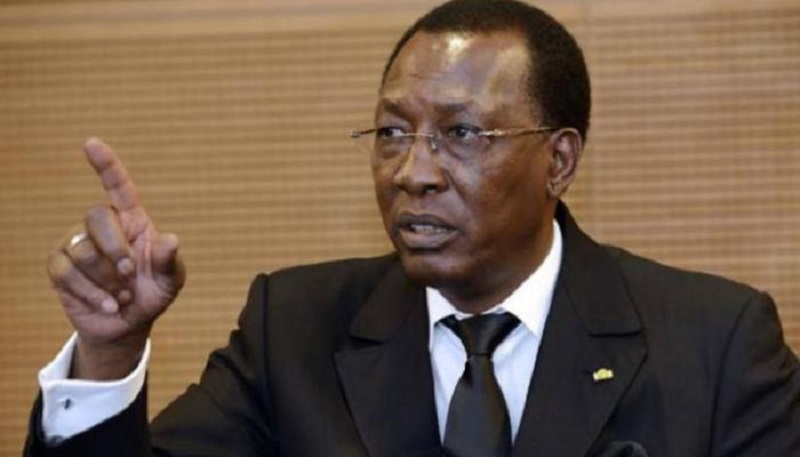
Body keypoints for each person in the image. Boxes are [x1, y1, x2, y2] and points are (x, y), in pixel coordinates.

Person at [24, 0, 800, 456]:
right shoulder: (292, 331)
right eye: (393, 133)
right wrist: (109, 352)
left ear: (559, 160)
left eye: (461, 134)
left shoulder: (716, 344)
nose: (412, 171)